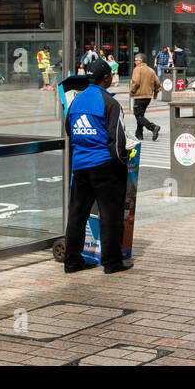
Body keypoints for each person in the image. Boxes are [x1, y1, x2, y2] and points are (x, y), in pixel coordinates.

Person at [62, 59, 132, 274]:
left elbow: (69, 130)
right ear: (106, 78)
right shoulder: (110, 103)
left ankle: (72, 262)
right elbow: (118, 140)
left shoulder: (76, 101)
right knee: (110, 214)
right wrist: (122, 162)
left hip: (80, 165)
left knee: (77, 214)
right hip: (104, 165)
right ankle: (112, 263)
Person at [129, 53, 162, 142]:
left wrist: (131, 91)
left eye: (135, 60)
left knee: (138, 116)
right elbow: (157, 83)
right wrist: (156, 92)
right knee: (141, 115)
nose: (135, 62)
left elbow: (136, 82)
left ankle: (152, 127)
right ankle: (139, 134)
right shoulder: (151, 70)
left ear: (140, 61)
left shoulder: (137, 69)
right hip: (148, 96)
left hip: (139, 96)